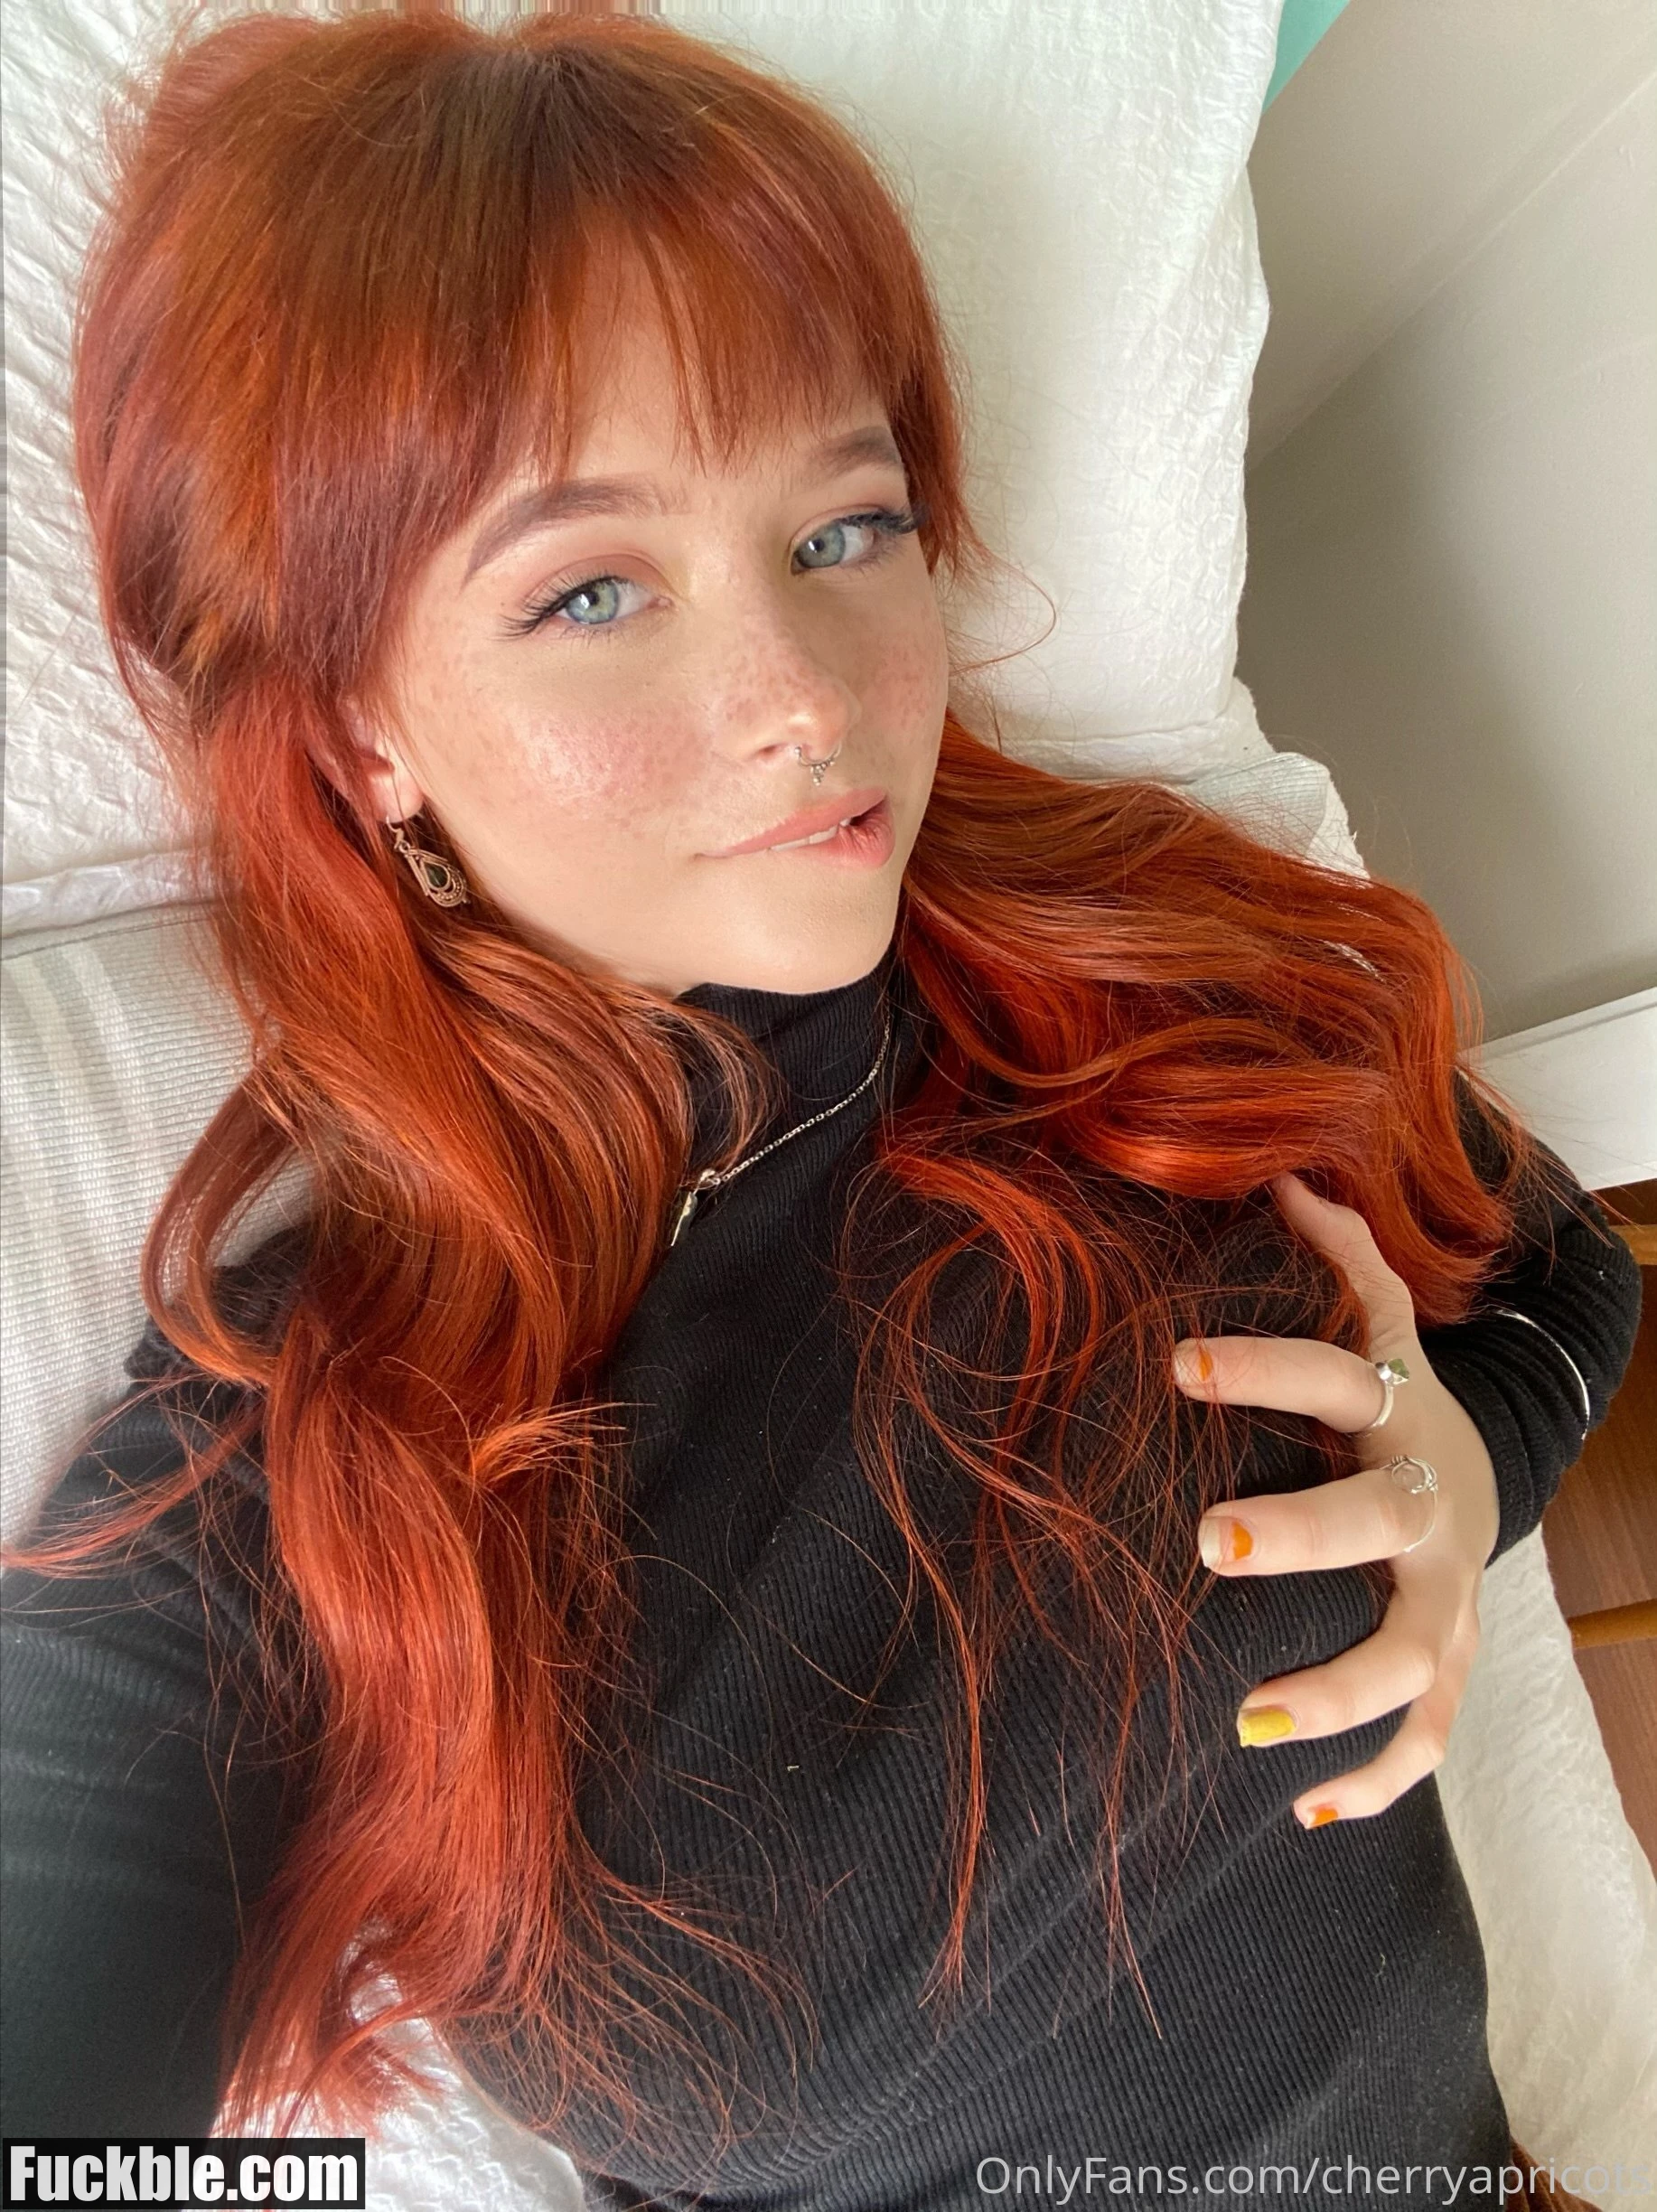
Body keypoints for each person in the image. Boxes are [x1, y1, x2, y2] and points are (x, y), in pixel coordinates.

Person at [0, 8, 1641, 2207]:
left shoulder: (1138, 990)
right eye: (590, 591)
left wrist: (1455, 1471)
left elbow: (1549, 1259)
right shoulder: (304, 1449)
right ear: (362, 730)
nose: (801, 700)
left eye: (843, 529)